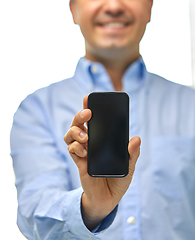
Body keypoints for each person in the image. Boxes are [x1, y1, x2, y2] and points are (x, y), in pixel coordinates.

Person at [10, 0, 195, 239]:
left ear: (150, 6)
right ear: (72, 9)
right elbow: (34, 215)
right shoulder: (36, 110)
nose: (114, 6)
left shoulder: (191, 106)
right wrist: (92, 206)